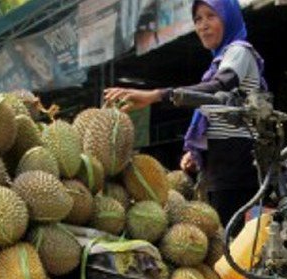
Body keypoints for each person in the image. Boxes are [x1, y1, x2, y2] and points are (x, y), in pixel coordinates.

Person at [104, 0, 266, 225]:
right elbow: (219, 105)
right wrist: (199, 149)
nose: (203, 25)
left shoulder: (239, 50)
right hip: (221, 164)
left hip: (238, 164)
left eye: (211, 16)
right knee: (227, 239)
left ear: (228, 17)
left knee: (235, 243)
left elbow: (219, 86)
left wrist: (155, 95)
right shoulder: (219, 61)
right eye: (198, 19)